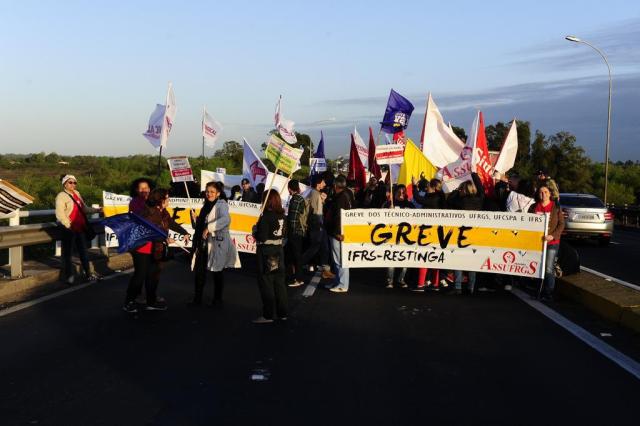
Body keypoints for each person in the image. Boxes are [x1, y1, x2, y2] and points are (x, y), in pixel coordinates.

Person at [122, 188, 191, 313]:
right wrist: (164, 238)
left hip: (155, 249)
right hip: (142, 249)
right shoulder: (149, 213)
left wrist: (184, 232)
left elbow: (170, 223)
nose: (169, 200)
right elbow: (148, 232)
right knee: (140, 276)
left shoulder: (163, 212)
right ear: (160, 200)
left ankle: (151, 301)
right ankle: (129, 302)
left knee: (152, 276)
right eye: (167, 197)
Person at [189, 181, 237, 307]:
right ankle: (197, 299)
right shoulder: (206, 205)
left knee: (217, 272)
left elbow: (226, 220)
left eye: (212, 192)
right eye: (207, 191)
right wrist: (196, 219)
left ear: (218, 193)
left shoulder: (221, 205)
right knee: (199, 271)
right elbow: (201, 225)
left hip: (216, 243)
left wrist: (208, 228)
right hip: (202, 243)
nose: (209, 194)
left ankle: (217, 299)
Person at [55, 174, 101, 284]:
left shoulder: (77, 194)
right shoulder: (61, 196)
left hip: (80, 228)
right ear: (64, 184)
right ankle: (69, 277)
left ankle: (88, 274)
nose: (73, 185)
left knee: (83, 252)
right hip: (69, 229)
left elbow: (84, 209)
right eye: (70, 182)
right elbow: (60, 214)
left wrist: (97, 210)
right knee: (68, 254)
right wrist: (68, 225)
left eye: (74, 182)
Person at [252, 190, 288, 324]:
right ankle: (282, 312)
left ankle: (267, 315)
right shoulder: (282, 216)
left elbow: (261, 236)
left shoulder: (266, 216)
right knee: (279, 283)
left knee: (266, 282)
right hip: (279, 250)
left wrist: (255, 230)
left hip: (267, 251)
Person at [447, 173, 484, 295]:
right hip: (475, 234)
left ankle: (458, 287)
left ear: (463, 190)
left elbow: (449, 200)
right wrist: (474, 175)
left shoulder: (460, 201)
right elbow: (481, 190)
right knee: (472, 261)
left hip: (461, 235)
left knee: (458, 260)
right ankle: (471, 287)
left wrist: (456, 191)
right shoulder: (479, 200)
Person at [529, 185, 565, 301]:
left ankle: (548, 293)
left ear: (550, 194)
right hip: (537, 242)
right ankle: (537, 290)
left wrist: (552, 236)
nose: (543, 194)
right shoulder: (534, 207)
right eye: (541, 192)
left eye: (545, 192)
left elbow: (561, 224)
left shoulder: (556, 207)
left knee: (548, 268)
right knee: (538, 267)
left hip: (552, 242)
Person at [300, 175, 335, 280]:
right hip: (317, 225)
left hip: (320, 224)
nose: (324, 184)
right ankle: (298, 263)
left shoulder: (316, 193)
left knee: (324, 248)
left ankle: (326, 270)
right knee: (315, 248)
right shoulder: (315, 194)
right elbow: (316, 212)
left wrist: (323, 201)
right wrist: (319, 225)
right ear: (318, 183)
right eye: (323, 182)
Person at [325, 175, 354, 293]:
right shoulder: (342, 196)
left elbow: (339, 217)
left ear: (336, 185)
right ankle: (338, 281)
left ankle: (342, 284)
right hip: (336, 232)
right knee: (337, 259)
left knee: (340, 259)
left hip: (338, 233)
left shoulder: (342, 197)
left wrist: (338, 232)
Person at [383, 184, 414, 288]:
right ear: (395, 192)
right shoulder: (388, 203)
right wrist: (388, 210)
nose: (401, 193)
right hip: (391, 235)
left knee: (405, 260)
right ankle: (389, 281)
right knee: (391, 259)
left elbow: (417, 218)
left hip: (405, 236)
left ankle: (401, 279)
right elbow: (379, 217)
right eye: (399, 192)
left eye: (403, 192)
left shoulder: (409, 204)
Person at [285, 179, 306, 287]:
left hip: (295, 232)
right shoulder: (300, 198)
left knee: (296, 255)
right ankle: (298, 277)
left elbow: (293, 219)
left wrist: (290, 232)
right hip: (300, 231)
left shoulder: (295, 199)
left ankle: (298, 279)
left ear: (289, 188)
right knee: (296, 255)